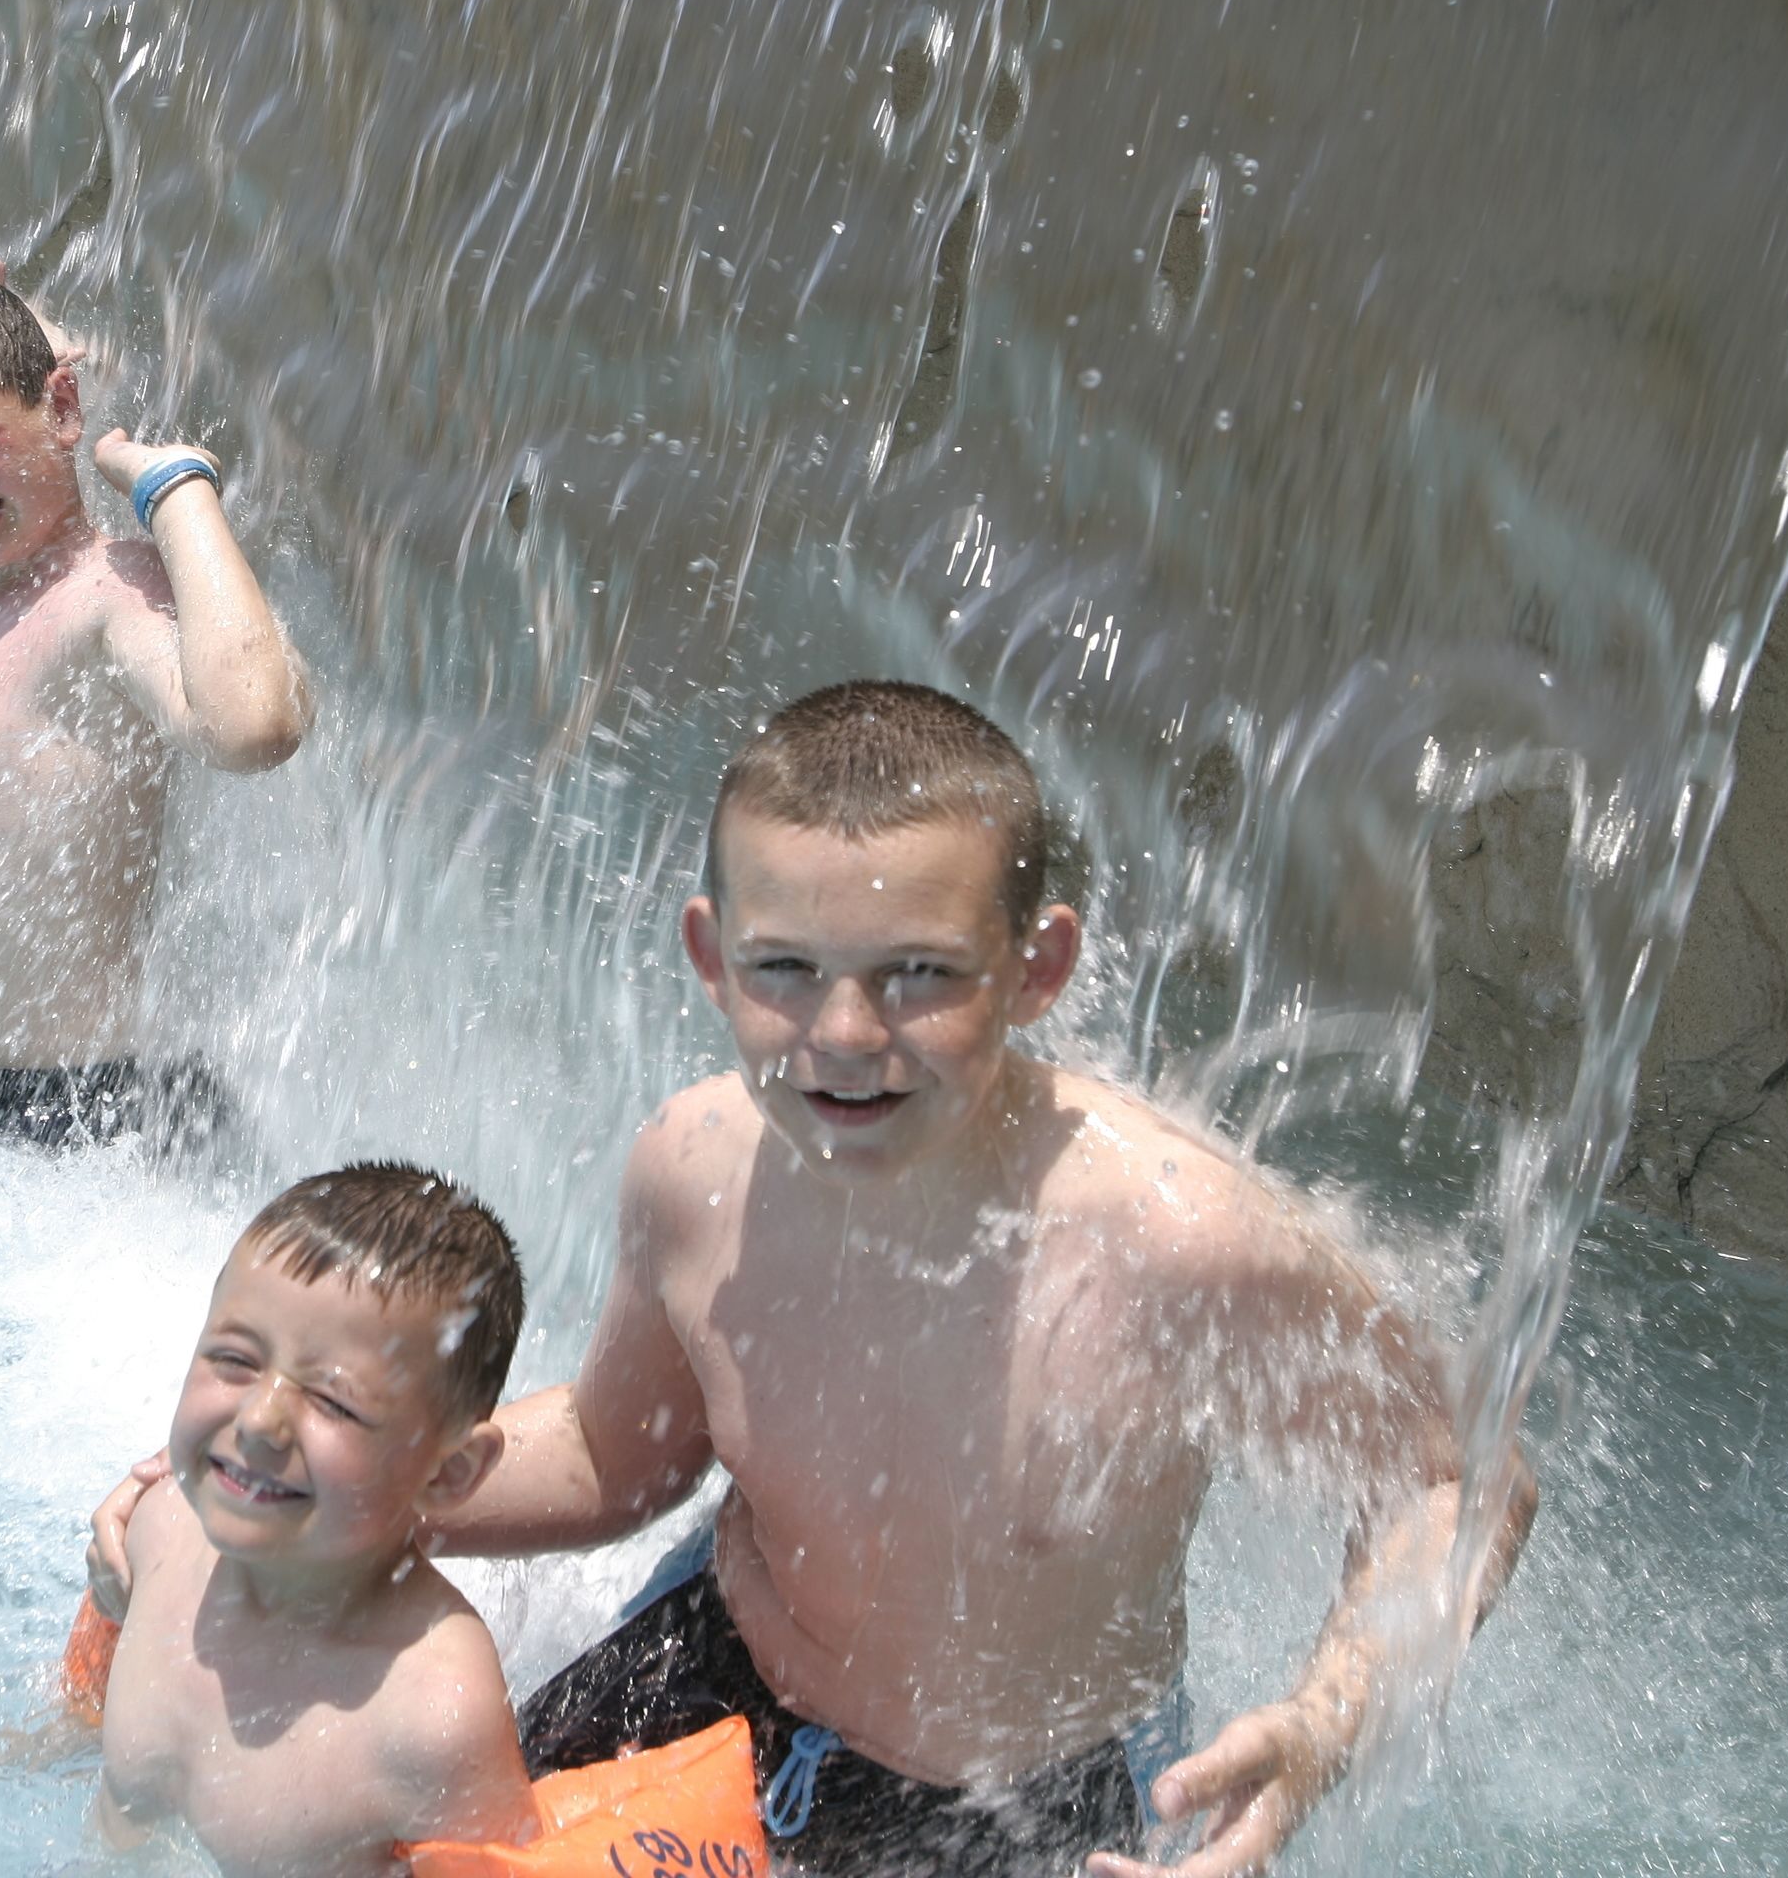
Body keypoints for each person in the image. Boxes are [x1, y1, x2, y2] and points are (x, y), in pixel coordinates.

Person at [93, 681, 1537, 1878]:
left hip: (1010, 1804)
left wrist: (1328, 1720)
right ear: (710, 957)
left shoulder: (1182, 1245)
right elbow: (614, 1454)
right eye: (785, 969)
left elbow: (1456, 1481)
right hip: (708, 1684)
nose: (842, 1034)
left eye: (920, 975)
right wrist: (305, 1488)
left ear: (1037, 969)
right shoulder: (699, 1170)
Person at [0, 268, 309, 1145]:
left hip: (69, 1108)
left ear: (62, 408)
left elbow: (253, 727)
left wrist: (172, 490)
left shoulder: (111, 594)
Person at [88, 1163, 541, 1877]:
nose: (261, 1419)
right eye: (235, 1360)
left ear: (448, 1472)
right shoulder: (157, 1532)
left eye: (334, 1403)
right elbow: (73, 1735)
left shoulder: (432, 1713)